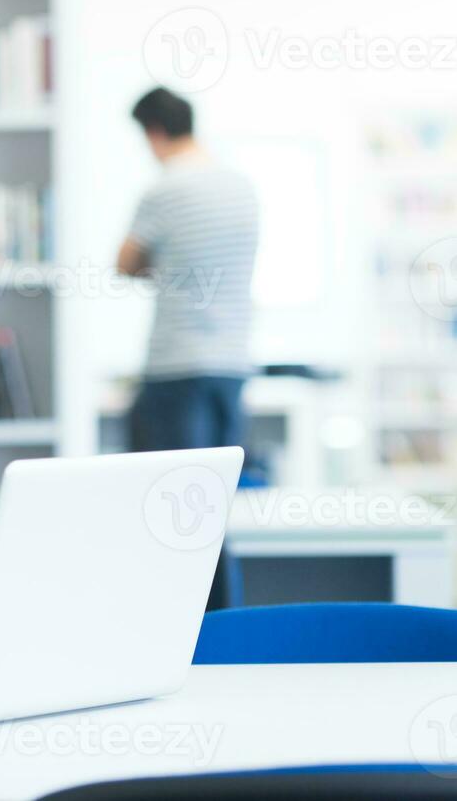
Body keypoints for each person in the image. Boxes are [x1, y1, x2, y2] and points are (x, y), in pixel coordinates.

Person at [118, 87, 260, 608]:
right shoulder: (240, 186)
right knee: (213, 510)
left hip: (176, 369)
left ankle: (171, 624)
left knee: (163, 511)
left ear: (154, 132)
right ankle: (221, 631)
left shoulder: (166, 190)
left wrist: (169, 266)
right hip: (231, 366)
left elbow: (125, 263)